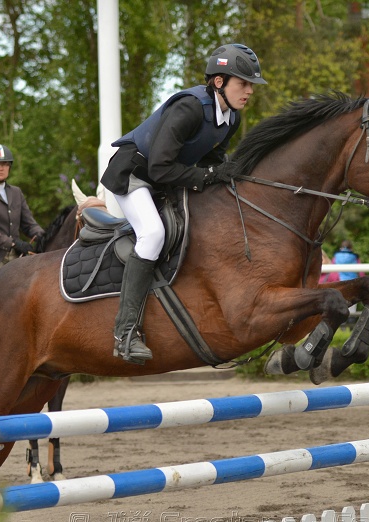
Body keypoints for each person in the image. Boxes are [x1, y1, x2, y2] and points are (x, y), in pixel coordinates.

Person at [100, 43, 266, 363]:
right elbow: (160, 167)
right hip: (135, 174)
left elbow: (214, 163)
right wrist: (209, 176)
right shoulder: (189, 107)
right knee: (153, 233)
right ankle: (125, 332)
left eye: (251, 85)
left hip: (165, 179)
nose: (249, 91)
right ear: (219, 82)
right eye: (243, 83)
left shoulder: (229, 118)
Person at [0, 144, 45, 279]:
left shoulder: (16, 192)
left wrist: (45, 237)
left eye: (5, 164)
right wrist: (13, 243)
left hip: (17, 259)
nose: (0, 168)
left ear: (9, 167)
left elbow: (29, 224)